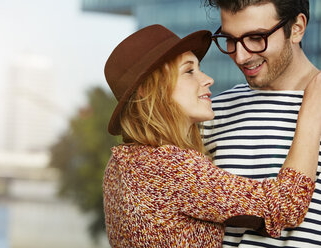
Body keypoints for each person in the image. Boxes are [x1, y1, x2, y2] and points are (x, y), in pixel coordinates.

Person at [102, 24, 321, 247]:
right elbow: (286, 205)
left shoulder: (120, 167)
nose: (208, 79)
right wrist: (312, 111)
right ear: (148, 90)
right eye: (189, 71)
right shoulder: (170, 166)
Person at [203, 0, 321, 247]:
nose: (241, 56)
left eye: (256, 37)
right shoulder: (210, 114)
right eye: (231, 40)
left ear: (297, 28)